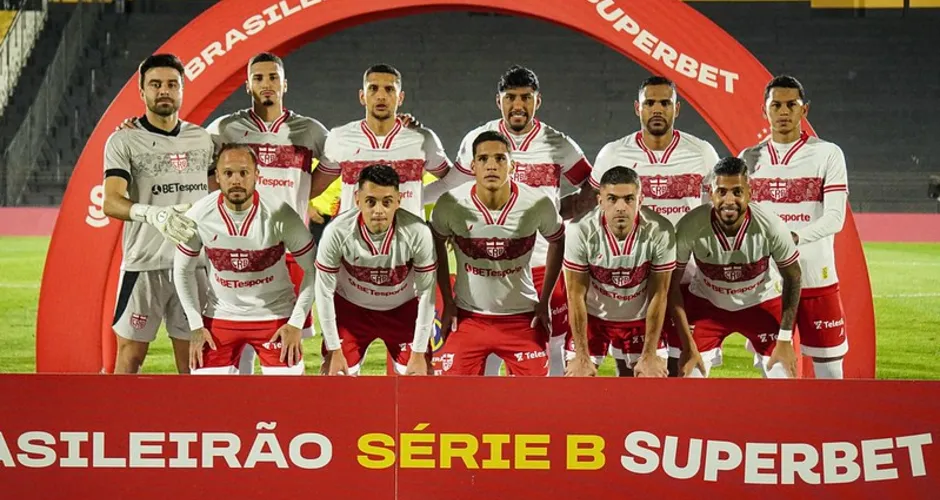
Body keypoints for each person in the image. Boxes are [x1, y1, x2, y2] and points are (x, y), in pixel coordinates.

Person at [424, 65, 593, 376]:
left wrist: (560, 211)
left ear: (537, 101)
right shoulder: (478, 139)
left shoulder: (557, 143)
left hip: (543, 263)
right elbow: (450, 184)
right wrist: (406, 200)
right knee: (487, 341)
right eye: (510, 97)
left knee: (551, 341)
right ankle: (490, 406)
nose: (518, 105)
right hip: (490, 263)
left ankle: (547, 403)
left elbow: (592, 187)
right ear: (498, 101)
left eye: (526, 97)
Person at [204, 52, 328, 374]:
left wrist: (302, 194)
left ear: (285, 84)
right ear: (248, 85)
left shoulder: (309, 130)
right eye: (258, 78)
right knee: (238, 331)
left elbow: (335, 164)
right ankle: (244, 398)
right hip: (240, 247)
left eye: (273, 77)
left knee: (288, 338)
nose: (266, 83)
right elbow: (200, 167)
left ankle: (279, 398)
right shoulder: (225, 129)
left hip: (289, 251)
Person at [590, 75, 720, 376]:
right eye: (650, 103)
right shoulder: (614, 154)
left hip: (688, 280)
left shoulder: (702, 153)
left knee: (686, 371)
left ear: (677, 108)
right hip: (633, 282)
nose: (657, 109)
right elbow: (596, 209)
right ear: (638, 108)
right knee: (632, 374)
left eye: (665, 103)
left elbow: (715, 212)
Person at [101, 54, 215, 374]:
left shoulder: (203, 139)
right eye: (155, 84)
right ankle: (117, 410)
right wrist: (153, 214)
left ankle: (191, 411)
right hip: (144, 263)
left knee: (193, 361)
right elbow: (111, 202)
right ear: (142, 91)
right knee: (130, 355)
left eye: (171, 84)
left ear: (182, 90)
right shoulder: (123, 140)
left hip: (194, 266)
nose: (164, 90)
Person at [739, 75, 850, 379]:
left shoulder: (828, 154)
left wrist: (793, 238)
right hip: (768, 284)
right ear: (764, 110)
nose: (784, 112)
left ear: (805, 110)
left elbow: (835, 218)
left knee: (831, 376)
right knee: (778, 378)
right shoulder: (748, 158)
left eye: (791, 105)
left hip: (816, 279)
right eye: (776, 105)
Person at [173, 144, 318, 375]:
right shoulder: (198, 215)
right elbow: (182, 270)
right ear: (217, 176)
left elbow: (314, 269)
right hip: (221, 317)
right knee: (206, 392)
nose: (236, 180)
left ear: (257, 175)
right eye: (228, 173)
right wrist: (196, 325)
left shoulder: (281, 214)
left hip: (275, 316)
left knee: (287, 392)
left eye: (244, 172)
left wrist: (295, 323)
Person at [430, 131, 565, 376]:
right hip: (469, 318)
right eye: (483, 159)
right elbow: (437, 242)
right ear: (473, 166)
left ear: (512, 165)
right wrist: (448, 301)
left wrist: (544, 300)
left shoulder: (537, 203)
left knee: (537, 394)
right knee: (452, 393)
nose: (491, 165)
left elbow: (557, 240)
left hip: (521, 318)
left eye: (500, 158)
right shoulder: (451, 203)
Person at [669, 157, 802, 379]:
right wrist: (687, 343)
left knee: (784, 378)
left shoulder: (772, 226)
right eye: (721, 192)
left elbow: (794, 277)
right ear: (711, 193)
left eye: (737, 192)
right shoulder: (689, 226)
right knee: (688, 380)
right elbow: (671, 285)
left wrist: (785, 338)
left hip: (762, 304)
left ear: (750, 193)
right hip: (707, 306)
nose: (729, 201)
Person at [314, 164, 437, 376]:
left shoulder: (418, 232)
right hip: (351, 311)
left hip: (402, 310)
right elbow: (324, 290)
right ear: (357, 199)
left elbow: (427, 293)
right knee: (337, 377)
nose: (378, 210)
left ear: (398, 200)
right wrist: (333, 349)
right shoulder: (337, 231)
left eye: (387, 202)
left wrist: (418, 353)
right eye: (370, 201)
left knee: (418, 377)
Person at [564, 166, 676, 377]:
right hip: (593, 319)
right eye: (612, 199)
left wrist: (649, 354)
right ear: (600, 201)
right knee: (578, 379)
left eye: (629, 199)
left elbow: (659, 294)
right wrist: (581, 356)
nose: (621, 207)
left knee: (652, 379)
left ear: (640, 200)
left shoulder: (660, 230)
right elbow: (575, 294)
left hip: (640, 320)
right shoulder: (579, 230)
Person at [311, 64, 462, 219]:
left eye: (389, 89)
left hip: (408, 234)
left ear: (400, 98)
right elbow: (312, 189)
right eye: (373, 88)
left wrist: (417, 197)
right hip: (355, 234)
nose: (381, 96)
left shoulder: (423, 139)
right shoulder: (340, 138)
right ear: (362, 96)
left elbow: (451, 183)